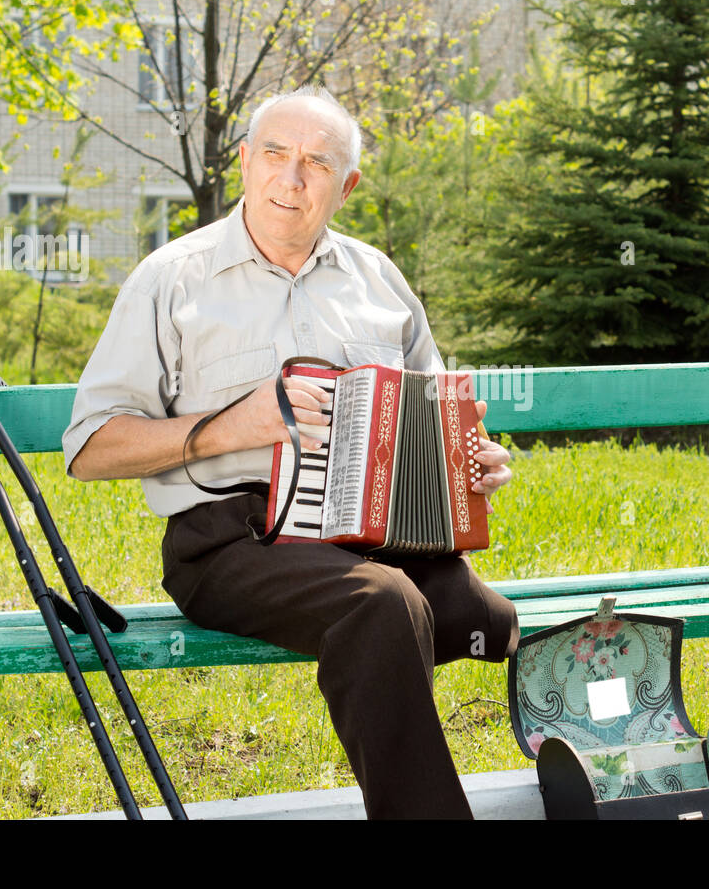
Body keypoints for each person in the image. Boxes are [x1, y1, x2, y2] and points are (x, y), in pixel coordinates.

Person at [62, 86, 519, 819]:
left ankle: (611, 774)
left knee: (486, 617)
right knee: (384, 606)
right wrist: (229, 427)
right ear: (244, 161)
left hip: (369, 534)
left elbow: (433, 417)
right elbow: (89, 447)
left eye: (317, 162)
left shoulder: (380, 281)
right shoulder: (171, 278)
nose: (292, 178)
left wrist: (471, 461)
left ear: (348, 184)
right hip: (228, 542)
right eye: (275, 154)